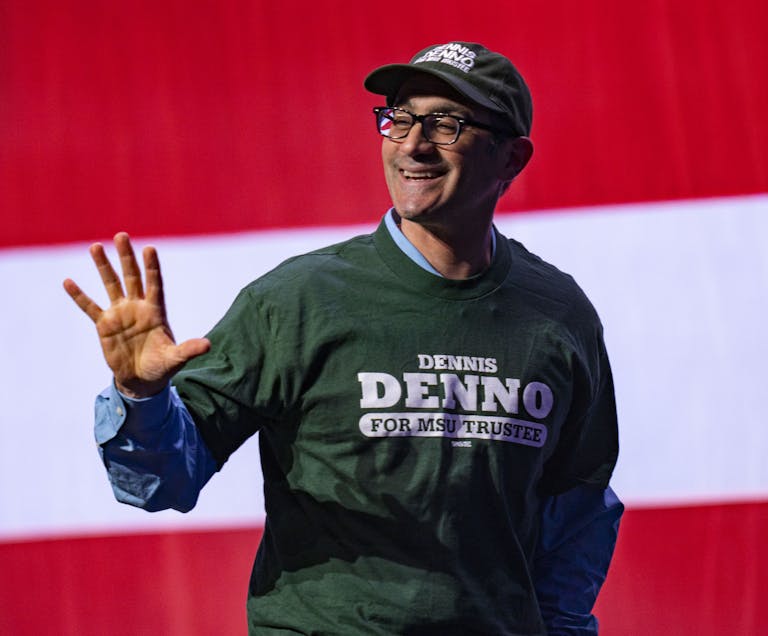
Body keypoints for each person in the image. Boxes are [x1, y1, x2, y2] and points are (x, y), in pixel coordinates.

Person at [64, 41, 622, 635]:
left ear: (512, 158)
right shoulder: (297, 299)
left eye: (447, 124)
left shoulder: (559, 315)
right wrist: (141, 397)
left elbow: (577, 516)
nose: (412, 143)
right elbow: (159, 483)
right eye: (399, 118)